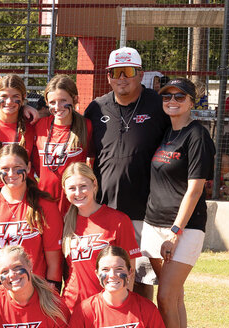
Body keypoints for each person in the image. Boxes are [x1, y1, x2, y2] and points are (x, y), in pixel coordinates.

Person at [140, 78, 215, 328]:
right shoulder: (168, 132)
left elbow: (195, 188)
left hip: (182, 228)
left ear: (192, 101)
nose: (172, 100)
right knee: (175, 298)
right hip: (152, 223)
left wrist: (175, 231)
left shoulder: (197, 135)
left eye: (179, 96)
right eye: (167, 95)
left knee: (166, 297)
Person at [84, 47, 170, 300]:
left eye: (128, 71)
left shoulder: (158, 104)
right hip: (105, 210)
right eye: (115, 72)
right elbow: (87, 155)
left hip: (146, 211)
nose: (122, 78)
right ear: (108, 76)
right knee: (107, 275)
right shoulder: (96, 108)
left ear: (140, 74)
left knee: (143, 279)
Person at [0, 144, 63, 326]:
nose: (11, 174)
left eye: (18, 168)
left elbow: (54, 260)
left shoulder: (45, 205)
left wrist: (51, 295)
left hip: (34, 286)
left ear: (29, 168)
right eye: (5, 169)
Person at [61, 162, 140, 310]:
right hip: (72, 306)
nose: (78, 193)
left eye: (83, 186)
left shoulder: (119, 220)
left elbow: (130, 272)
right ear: (65, 191)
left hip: (108, 304)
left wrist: (122, 304)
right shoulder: (63, 222)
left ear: (94, 184)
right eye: (72, 188)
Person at [33, 75, 92, 215]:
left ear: (75, 99)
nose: (57, 107)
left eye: (63, 101)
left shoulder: (86, 126)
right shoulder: (39, 125)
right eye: (52, 102)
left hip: (74, 202)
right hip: (44, 201)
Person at [0, 74, 36, 155]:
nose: (9, 101)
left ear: (23, 98)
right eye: (4, 96)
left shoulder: (32, 123)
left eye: (15, 96)